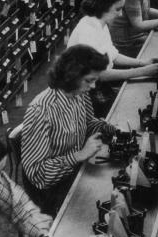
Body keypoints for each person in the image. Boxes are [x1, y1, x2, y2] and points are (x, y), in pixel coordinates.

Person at [15, 45, 119, 212]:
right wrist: (79, 155)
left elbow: (87, 124)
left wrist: (107, 128)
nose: (93, 87)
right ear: (72, 76)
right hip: (48, 191)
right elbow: (37, 174)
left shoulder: (78, 93)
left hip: (72, 171)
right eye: (89, 80)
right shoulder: (41, 111)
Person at [68, 0, 158, 83]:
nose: (120, 14)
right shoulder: (87, 32)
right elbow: (101, 74)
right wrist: (142, 71)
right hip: (85, 88)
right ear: (103, 6)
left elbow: (113, 55)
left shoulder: (100, 23)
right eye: (117, 9)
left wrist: (143, 63)